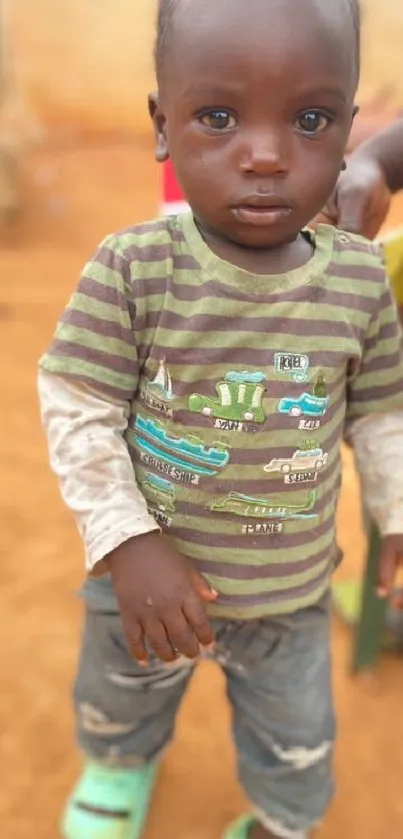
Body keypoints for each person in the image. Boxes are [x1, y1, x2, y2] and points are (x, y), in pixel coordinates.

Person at [38, 2, 403, 839]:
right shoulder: (133, 269)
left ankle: (281, 818)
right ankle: (118, 765)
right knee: (117, 696)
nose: (268, 154)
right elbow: (78, 405)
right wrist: (126, 539)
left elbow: (380, 407)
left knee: (297, 737)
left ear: (348, 127)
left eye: (310, 119)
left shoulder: (356, 278)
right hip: (143, 586)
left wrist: (393, 508)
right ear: (162, 127)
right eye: (218, 116)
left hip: (291, 596)